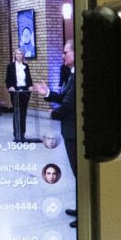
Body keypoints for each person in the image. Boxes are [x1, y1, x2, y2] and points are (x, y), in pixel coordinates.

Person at [50, 54, 78, 223]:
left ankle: (84, 212)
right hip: (69, 130)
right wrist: (47, 92)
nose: (63, 55)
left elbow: (69, 103)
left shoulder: (78, 75)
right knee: (76, 173)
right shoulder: (72, 73)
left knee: (79, 173)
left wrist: (54, 113)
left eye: (66, 52)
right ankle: (81, 207)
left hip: (73, 130)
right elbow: (63, 97)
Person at [6, 49, 37, 142]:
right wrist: (10, 87)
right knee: (17, 112)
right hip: (15, 91)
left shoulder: (26, 66)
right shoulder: (10, 66)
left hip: (25, 91)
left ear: (22, 56)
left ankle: (22, 134)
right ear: (15, 55)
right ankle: (16, 134)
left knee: (23, 113)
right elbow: (7, 79)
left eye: (20, 54)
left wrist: (30, 86)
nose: (18, 55)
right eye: (17, 54)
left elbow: (29, 79)